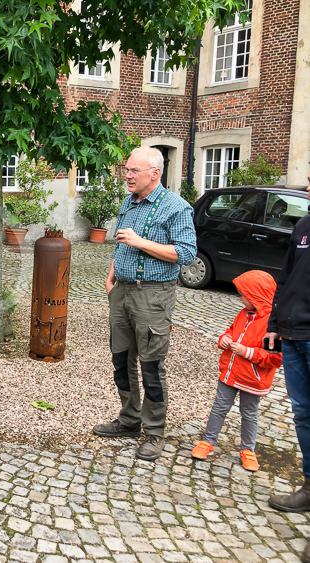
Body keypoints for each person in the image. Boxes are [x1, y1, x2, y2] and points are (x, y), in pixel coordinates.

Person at [92, 146, 196, 461]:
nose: (127, 175)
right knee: (121, 361)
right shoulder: (128, 202)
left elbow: (186, 253)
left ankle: (154, 432)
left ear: (155, 173)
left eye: (134, 170)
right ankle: (128, 420)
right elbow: (120, 244)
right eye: (127, 169)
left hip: (153, 295)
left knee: (151, 366)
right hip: (122, 291)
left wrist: (142, 243)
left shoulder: (176, 207)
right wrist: (112, 276)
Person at [190, 270, 282, 471]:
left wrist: (246, 352)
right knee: (219, 407)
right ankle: (208, 441)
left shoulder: (271, 325)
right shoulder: (243, 314)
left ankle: (248, 450)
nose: (240, 298)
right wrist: (224, 339)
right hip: (230, 373)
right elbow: (231, 331)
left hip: (252, 379)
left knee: (249, 413)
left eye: (243, 295)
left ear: (256, 296)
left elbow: (274, 358)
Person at [264, 176, 310, 562]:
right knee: (304, 415)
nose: (307, 187)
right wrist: (274, 324)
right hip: (294, 333)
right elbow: (286, 278)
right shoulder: (303, 227)